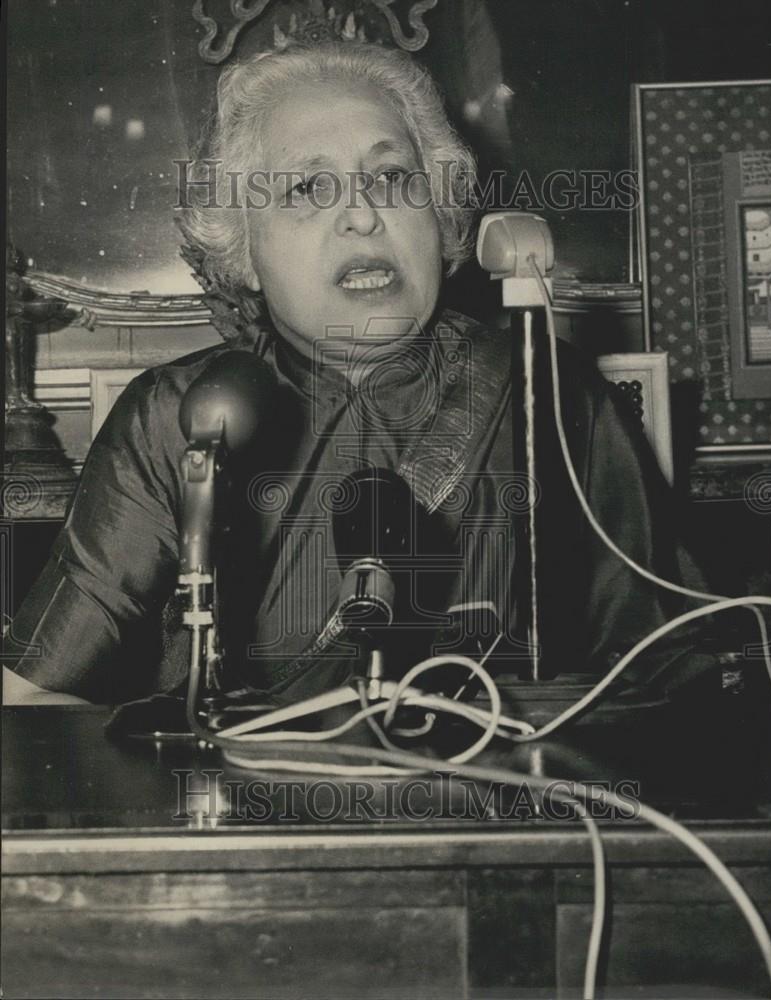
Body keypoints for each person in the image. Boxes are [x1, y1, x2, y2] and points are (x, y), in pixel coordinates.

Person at [3, 40, 705, 708]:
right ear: (243, 250)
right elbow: (30, 693)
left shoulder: (547, 394)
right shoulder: (177, 416)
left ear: (441, 214)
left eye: (392, 178)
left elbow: (673, 677)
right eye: (308, 187)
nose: (363, 215)